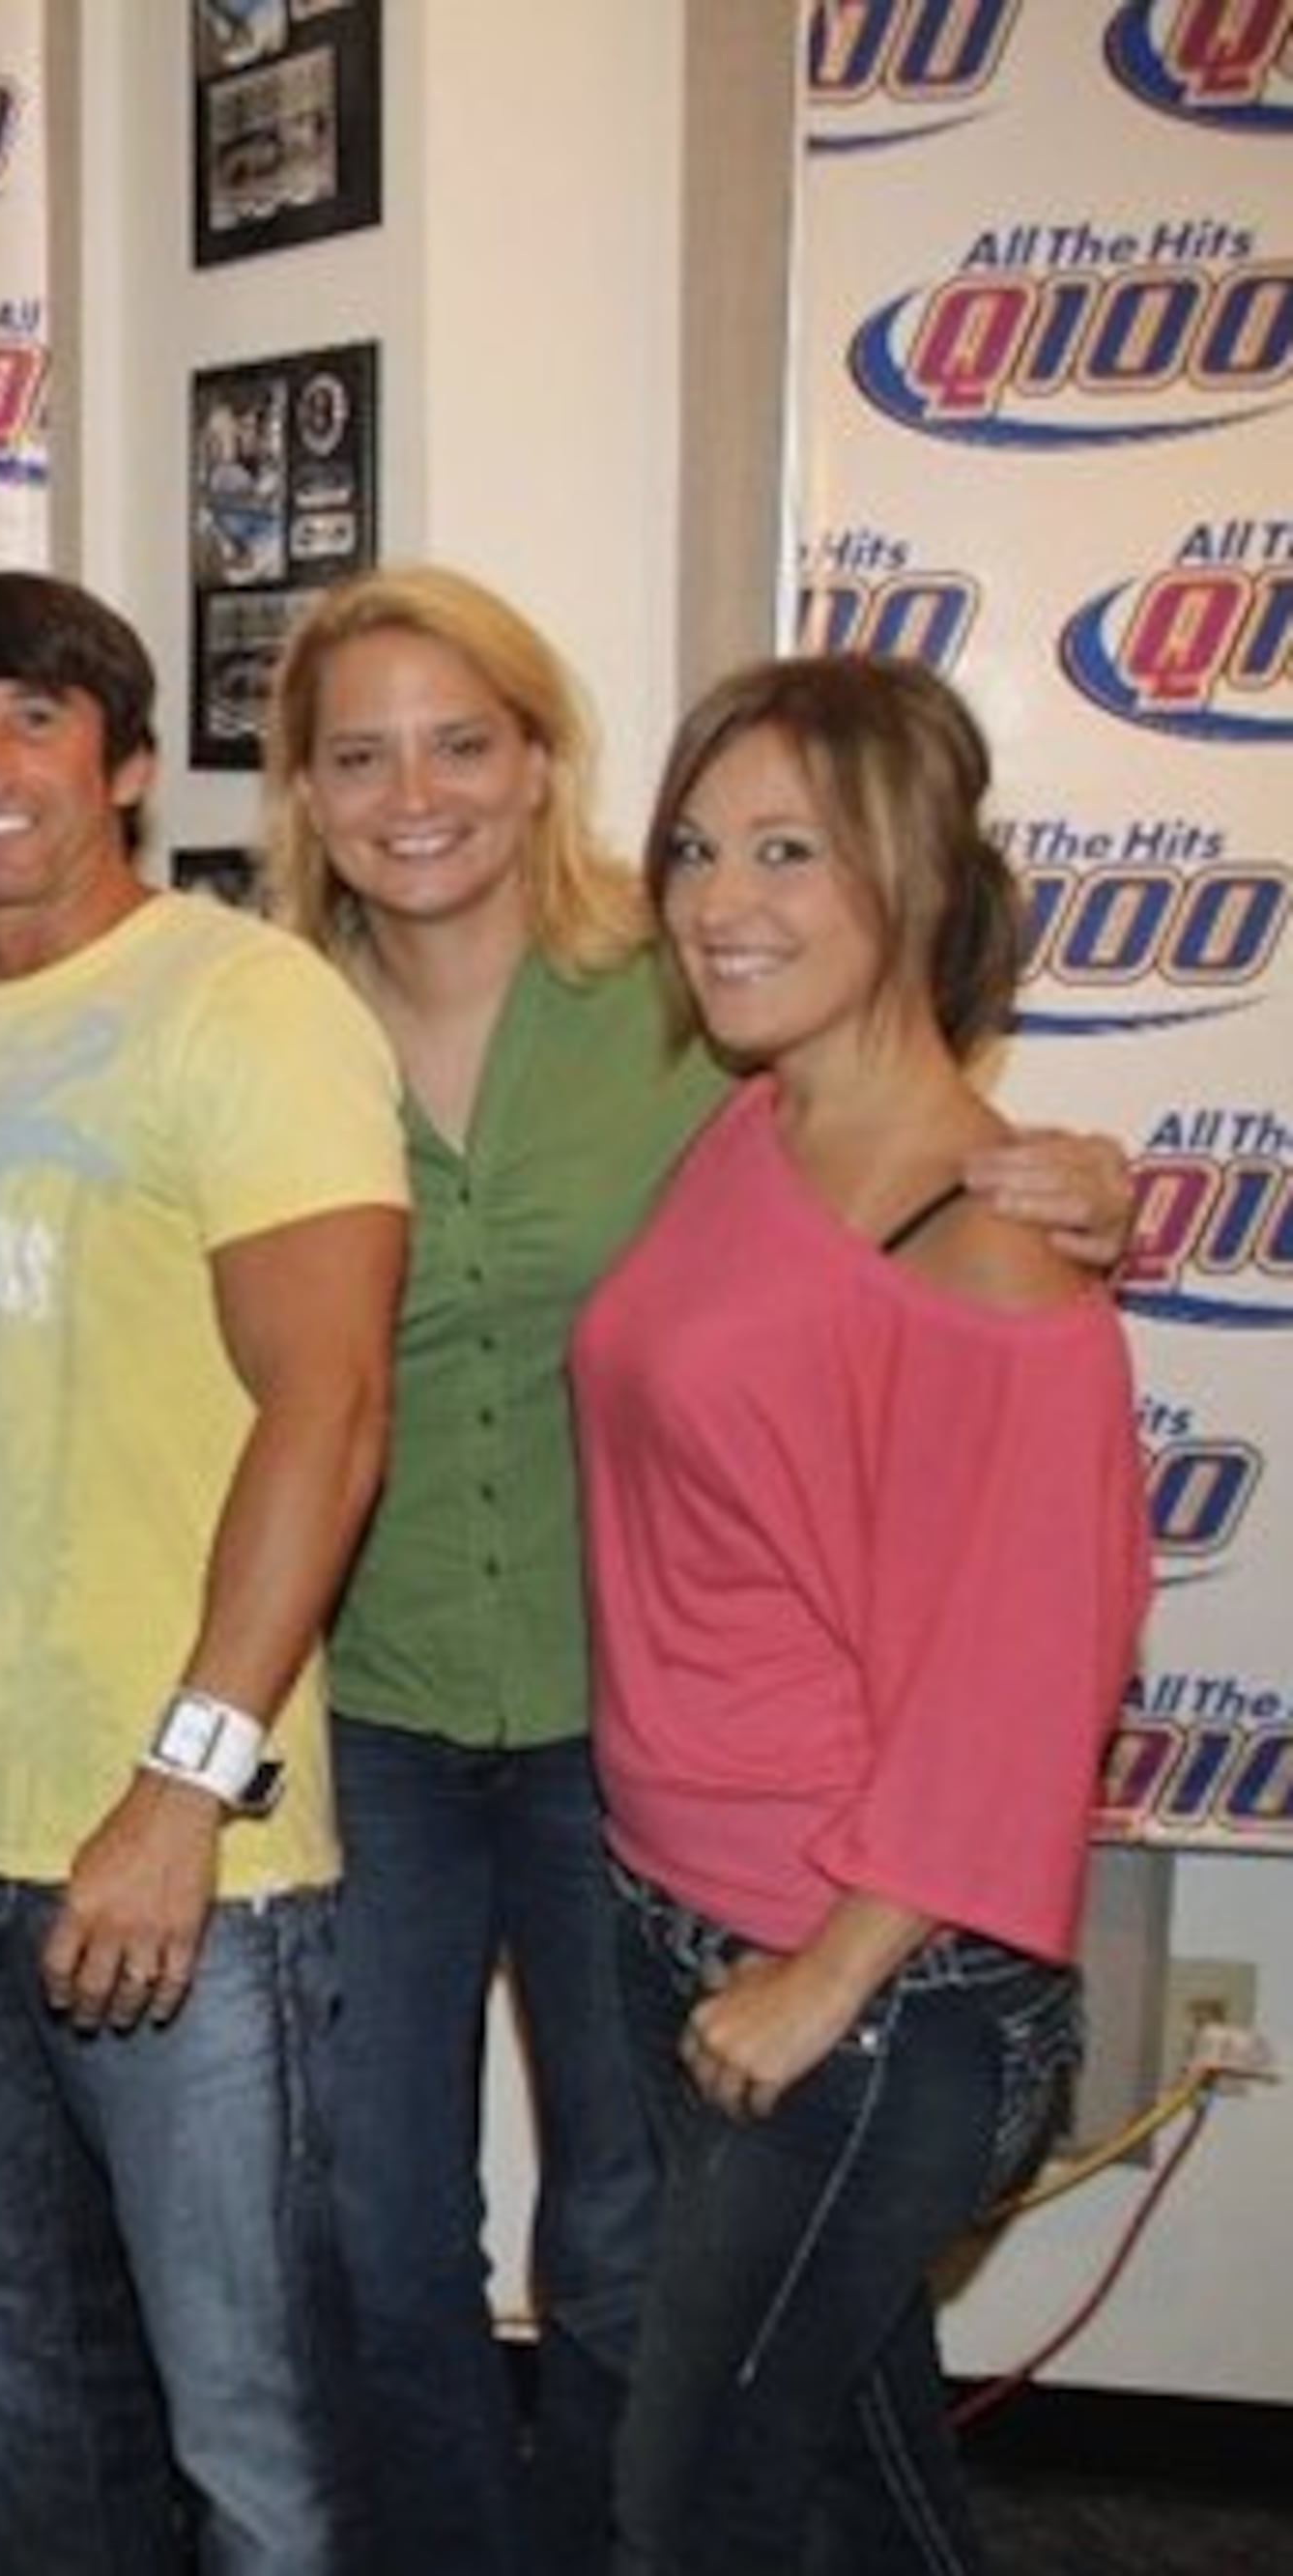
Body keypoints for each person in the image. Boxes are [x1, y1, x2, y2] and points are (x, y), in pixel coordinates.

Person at [254, 568, 1138, 2576]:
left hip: (703, 1818)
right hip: (432, 1738)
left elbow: (1003, 1535)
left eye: (464, 738)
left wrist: (1080, 1193)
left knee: (668, 2347)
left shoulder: (685, 1021)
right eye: (361, 751)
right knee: (410, 2249)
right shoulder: (294, 1033)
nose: (418, 793)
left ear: (541, 756)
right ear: (300, 790)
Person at [0, 570, 405, 2573]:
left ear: (134, 765)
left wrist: (184, 1785)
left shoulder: (247, 1004)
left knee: (247, 2425)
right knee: (26, 2366)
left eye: (31, 719)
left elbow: (327, 1413)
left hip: (179, 1854)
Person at [573, 655, 1146, 2573]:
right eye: (696, 847)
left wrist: (824, 1979)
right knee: (859, 2464)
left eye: (789, 850)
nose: (721, 899)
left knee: (695, 2506)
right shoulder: (754, 1118)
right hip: (692, 1918)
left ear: (907, 871)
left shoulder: (988, 1234)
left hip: (875, 1987)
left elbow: (1030, 1666)